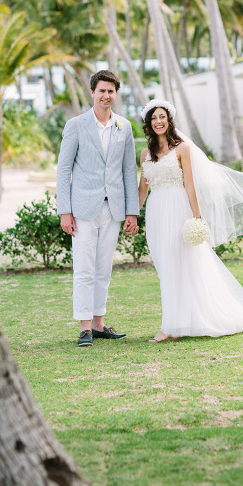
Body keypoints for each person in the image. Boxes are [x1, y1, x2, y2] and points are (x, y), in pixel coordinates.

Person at [138, 99, 243, 342]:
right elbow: (142, 189)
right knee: (164, 266)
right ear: (148, 123)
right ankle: (177, 322)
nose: (158, 121)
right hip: (156, 212)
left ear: (169, 120)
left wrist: (196, 217)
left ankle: (170, 328)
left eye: (162, 116)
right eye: (153, 118)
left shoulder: (182, 149)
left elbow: (190, 183)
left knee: (183, 265)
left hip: (178, 208)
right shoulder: (145, 154)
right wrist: (132, 215)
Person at [57, 70, 139, 347]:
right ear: (92, 92)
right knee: (83, 267)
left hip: (113, 209)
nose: (106, 96)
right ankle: (84, 328)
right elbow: (63, 170)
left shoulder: (124, 126)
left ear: (116, 94)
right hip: (82, 208)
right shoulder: (76, 125)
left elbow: (129, 170)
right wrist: (64, 211)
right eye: (102, 90)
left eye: (111, 91)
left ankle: (99, 323)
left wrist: (132, 211)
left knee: (103, 268)